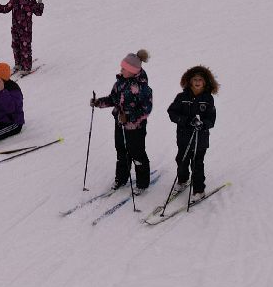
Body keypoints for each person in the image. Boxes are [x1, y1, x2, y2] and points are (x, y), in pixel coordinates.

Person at [91, 49, 153, 191]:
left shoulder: (142, 88)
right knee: (121, 152)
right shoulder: (119, 83)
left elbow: (146, 110)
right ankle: (121, 179)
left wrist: (130, 117)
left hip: (135, 127)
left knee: (137, 153)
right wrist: (98, 102)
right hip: (120, 123)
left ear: (133, 71)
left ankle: (142, 184)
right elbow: (113, 99)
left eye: (124, 68)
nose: (121, 70)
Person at [165, 65, 218, 197]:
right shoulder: (182, 96)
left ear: (205, 82)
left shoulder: (208, 99)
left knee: (197, 164)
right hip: (184, 137)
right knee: (181, 161)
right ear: (189, 81)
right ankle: (182, 181)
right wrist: (187, 121)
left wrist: (203, 124)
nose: (197, 82)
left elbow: (211, 119)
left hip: (200, 139)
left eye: (200, 79)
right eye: (194, 79)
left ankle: (199, 190)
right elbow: (172, 112)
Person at [0, 0, 45, 75]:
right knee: (15, 46)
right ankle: (19, 64)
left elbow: (38, 12)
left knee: (25, 48)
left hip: (26, 30)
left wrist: (40, 2)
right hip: (15, 28)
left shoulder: (31, 1)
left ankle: (26, 67)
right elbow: (6, 8)